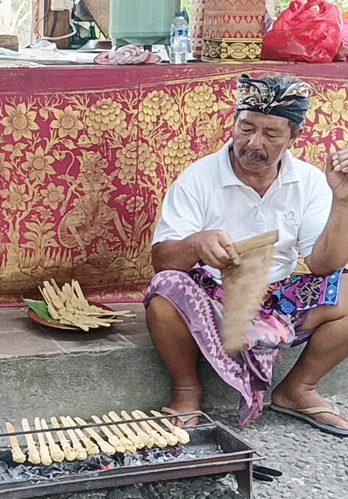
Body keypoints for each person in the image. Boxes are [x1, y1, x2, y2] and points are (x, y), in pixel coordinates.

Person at [145, 75, 348, 435]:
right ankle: (187, 391)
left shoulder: (310, 181)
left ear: (293, 137)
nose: (254, 143)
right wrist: (195, 245)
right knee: (164, 290)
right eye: (246, 128)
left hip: (281, 300)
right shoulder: (199, 178)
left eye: (271, 134)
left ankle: (297, 390)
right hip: (212, 298)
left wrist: (343, 201)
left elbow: (324, 266)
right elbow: (162, 259)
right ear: (234, 124)